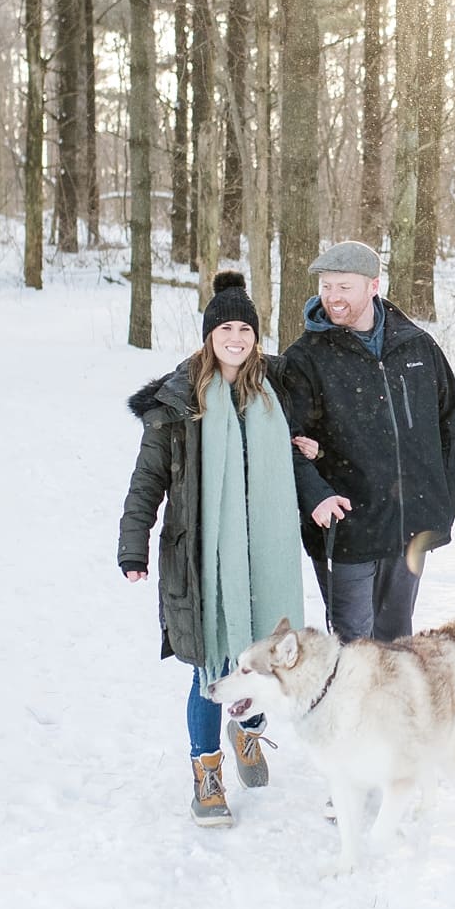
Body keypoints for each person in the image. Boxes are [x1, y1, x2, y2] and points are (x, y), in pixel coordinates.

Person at [118, 271, 308, 828]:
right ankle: (206, 774)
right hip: (203, 558)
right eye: (225, 326)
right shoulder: (180, 401)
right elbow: (148, 477)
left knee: (269, 662)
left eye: (244, 327)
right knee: (211, 670)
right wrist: (134, 547)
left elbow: (301, 452)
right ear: (208, 335)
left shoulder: (276, 392)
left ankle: (248, 734)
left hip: (264, 556)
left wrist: (311, 444)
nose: (236, 337)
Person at [279, 241, 455, 643]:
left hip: (410, 523)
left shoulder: (417, 347)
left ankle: (393, 709)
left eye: (344, 287)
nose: (333, 297)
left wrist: (449, 498)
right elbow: (288, 443)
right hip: (348, 526)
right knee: (354, 647)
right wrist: (316, 497)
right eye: (326, 286)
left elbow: (450, 425)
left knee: (397, 640)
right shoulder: (306, 358)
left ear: (373, 286)